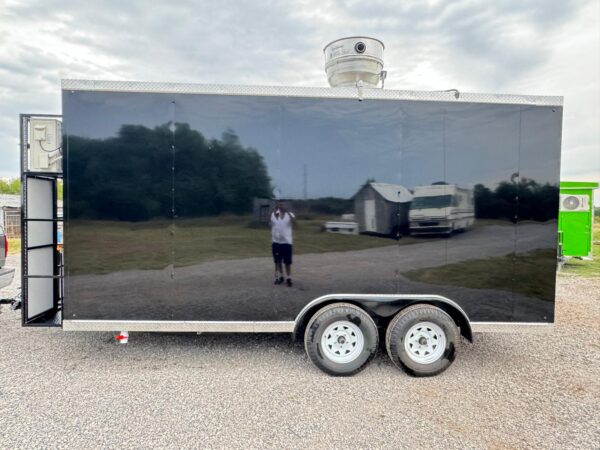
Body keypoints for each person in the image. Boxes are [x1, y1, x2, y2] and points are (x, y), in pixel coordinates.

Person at [270, 201, 295, 287]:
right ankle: (281, 277)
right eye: (279, 205)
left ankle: (289, 278)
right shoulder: (274, 214)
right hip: (276, 242)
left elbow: (294, 221)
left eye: (283, 205)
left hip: (287, 242)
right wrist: (274, 210)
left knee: (287, 262)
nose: (281, 206)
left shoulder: (289, 214)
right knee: (278, 261)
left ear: (286, 206)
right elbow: (268, 221)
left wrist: (287, 211)